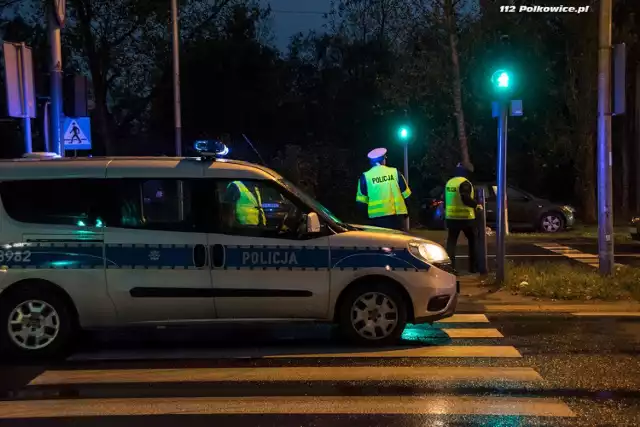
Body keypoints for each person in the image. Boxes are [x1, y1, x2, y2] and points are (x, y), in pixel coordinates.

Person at [356, 148, 411, 231]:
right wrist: (407, 212)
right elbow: (406, 195)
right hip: (396, 218)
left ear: (371, 162)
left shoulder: (365, 177)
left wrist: (366, 218)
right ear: (383, 160)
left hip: (375, 220)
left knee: (379, 243)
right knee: (398, 242)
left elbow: (361, 202)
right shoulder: (395, 172)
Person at [444, 163, 482, 273]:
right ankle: (473, 268)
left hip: (451, 217)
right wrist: (476, 205)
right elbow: (465, 198)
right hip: (466, 218)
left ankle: (450, 268)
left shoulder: (449, 183)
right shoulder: (465, 183)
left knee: (451, 242)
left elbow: (446, 200)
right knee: (473, 241)